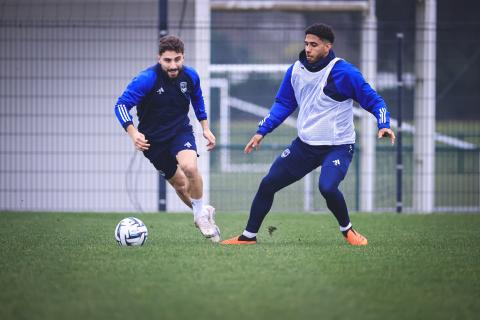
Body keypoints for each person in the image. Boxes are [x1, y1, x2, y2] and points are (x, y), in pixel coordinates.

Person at [221, 23, 395, 246]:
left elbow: (374, 99)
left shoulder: (344, 72)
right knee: (267, 184)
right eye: (306, 44)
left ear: (327, 46)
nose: (309, 49)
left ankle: (348, 230)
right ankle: (248, 237)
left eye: (314, 45)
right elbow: (283, 103)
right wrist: (262, 131)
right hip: (305, 147)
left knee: (327, 187)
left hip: (338, 146)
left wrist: (383, 123)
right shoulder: (295, 70)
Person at [114, 35, 219, 240]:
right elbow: (120, 105)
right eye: (168, 60)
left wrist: (205, 128)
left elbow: (197, 99)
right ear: (159, 58)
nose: (173, 65)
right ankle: (203, 211)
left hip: (180, 131)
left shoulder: (190, 76)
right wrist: (133, 132)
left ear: (183, 57)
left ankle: (200, 216)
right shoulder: (146, 79)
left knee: (190, 167)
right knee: (180, 185)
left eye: (177, 59)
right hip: (152, 141)